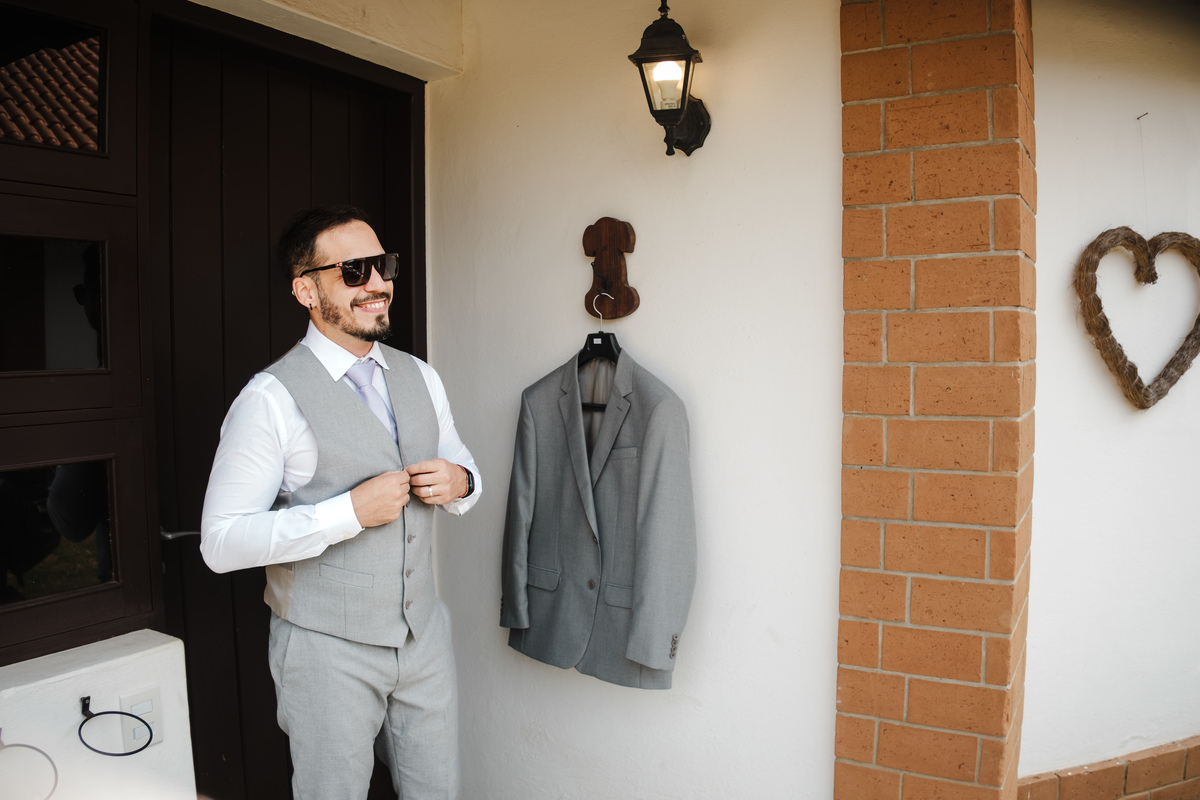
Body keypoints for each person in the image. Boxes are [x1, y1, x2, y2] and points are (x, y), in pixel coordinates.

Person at [200, 205, 480, 800]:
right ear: (306, 289)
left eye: (383, 266)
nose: (378, 283)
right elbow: (221, 543)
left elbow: (463, 465)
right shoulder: (270, 400)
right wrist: (345, 514)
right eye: (354, 271)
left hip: (423, 637)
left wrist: (461, 482)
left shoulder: (420, 377)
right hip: (325, 650)